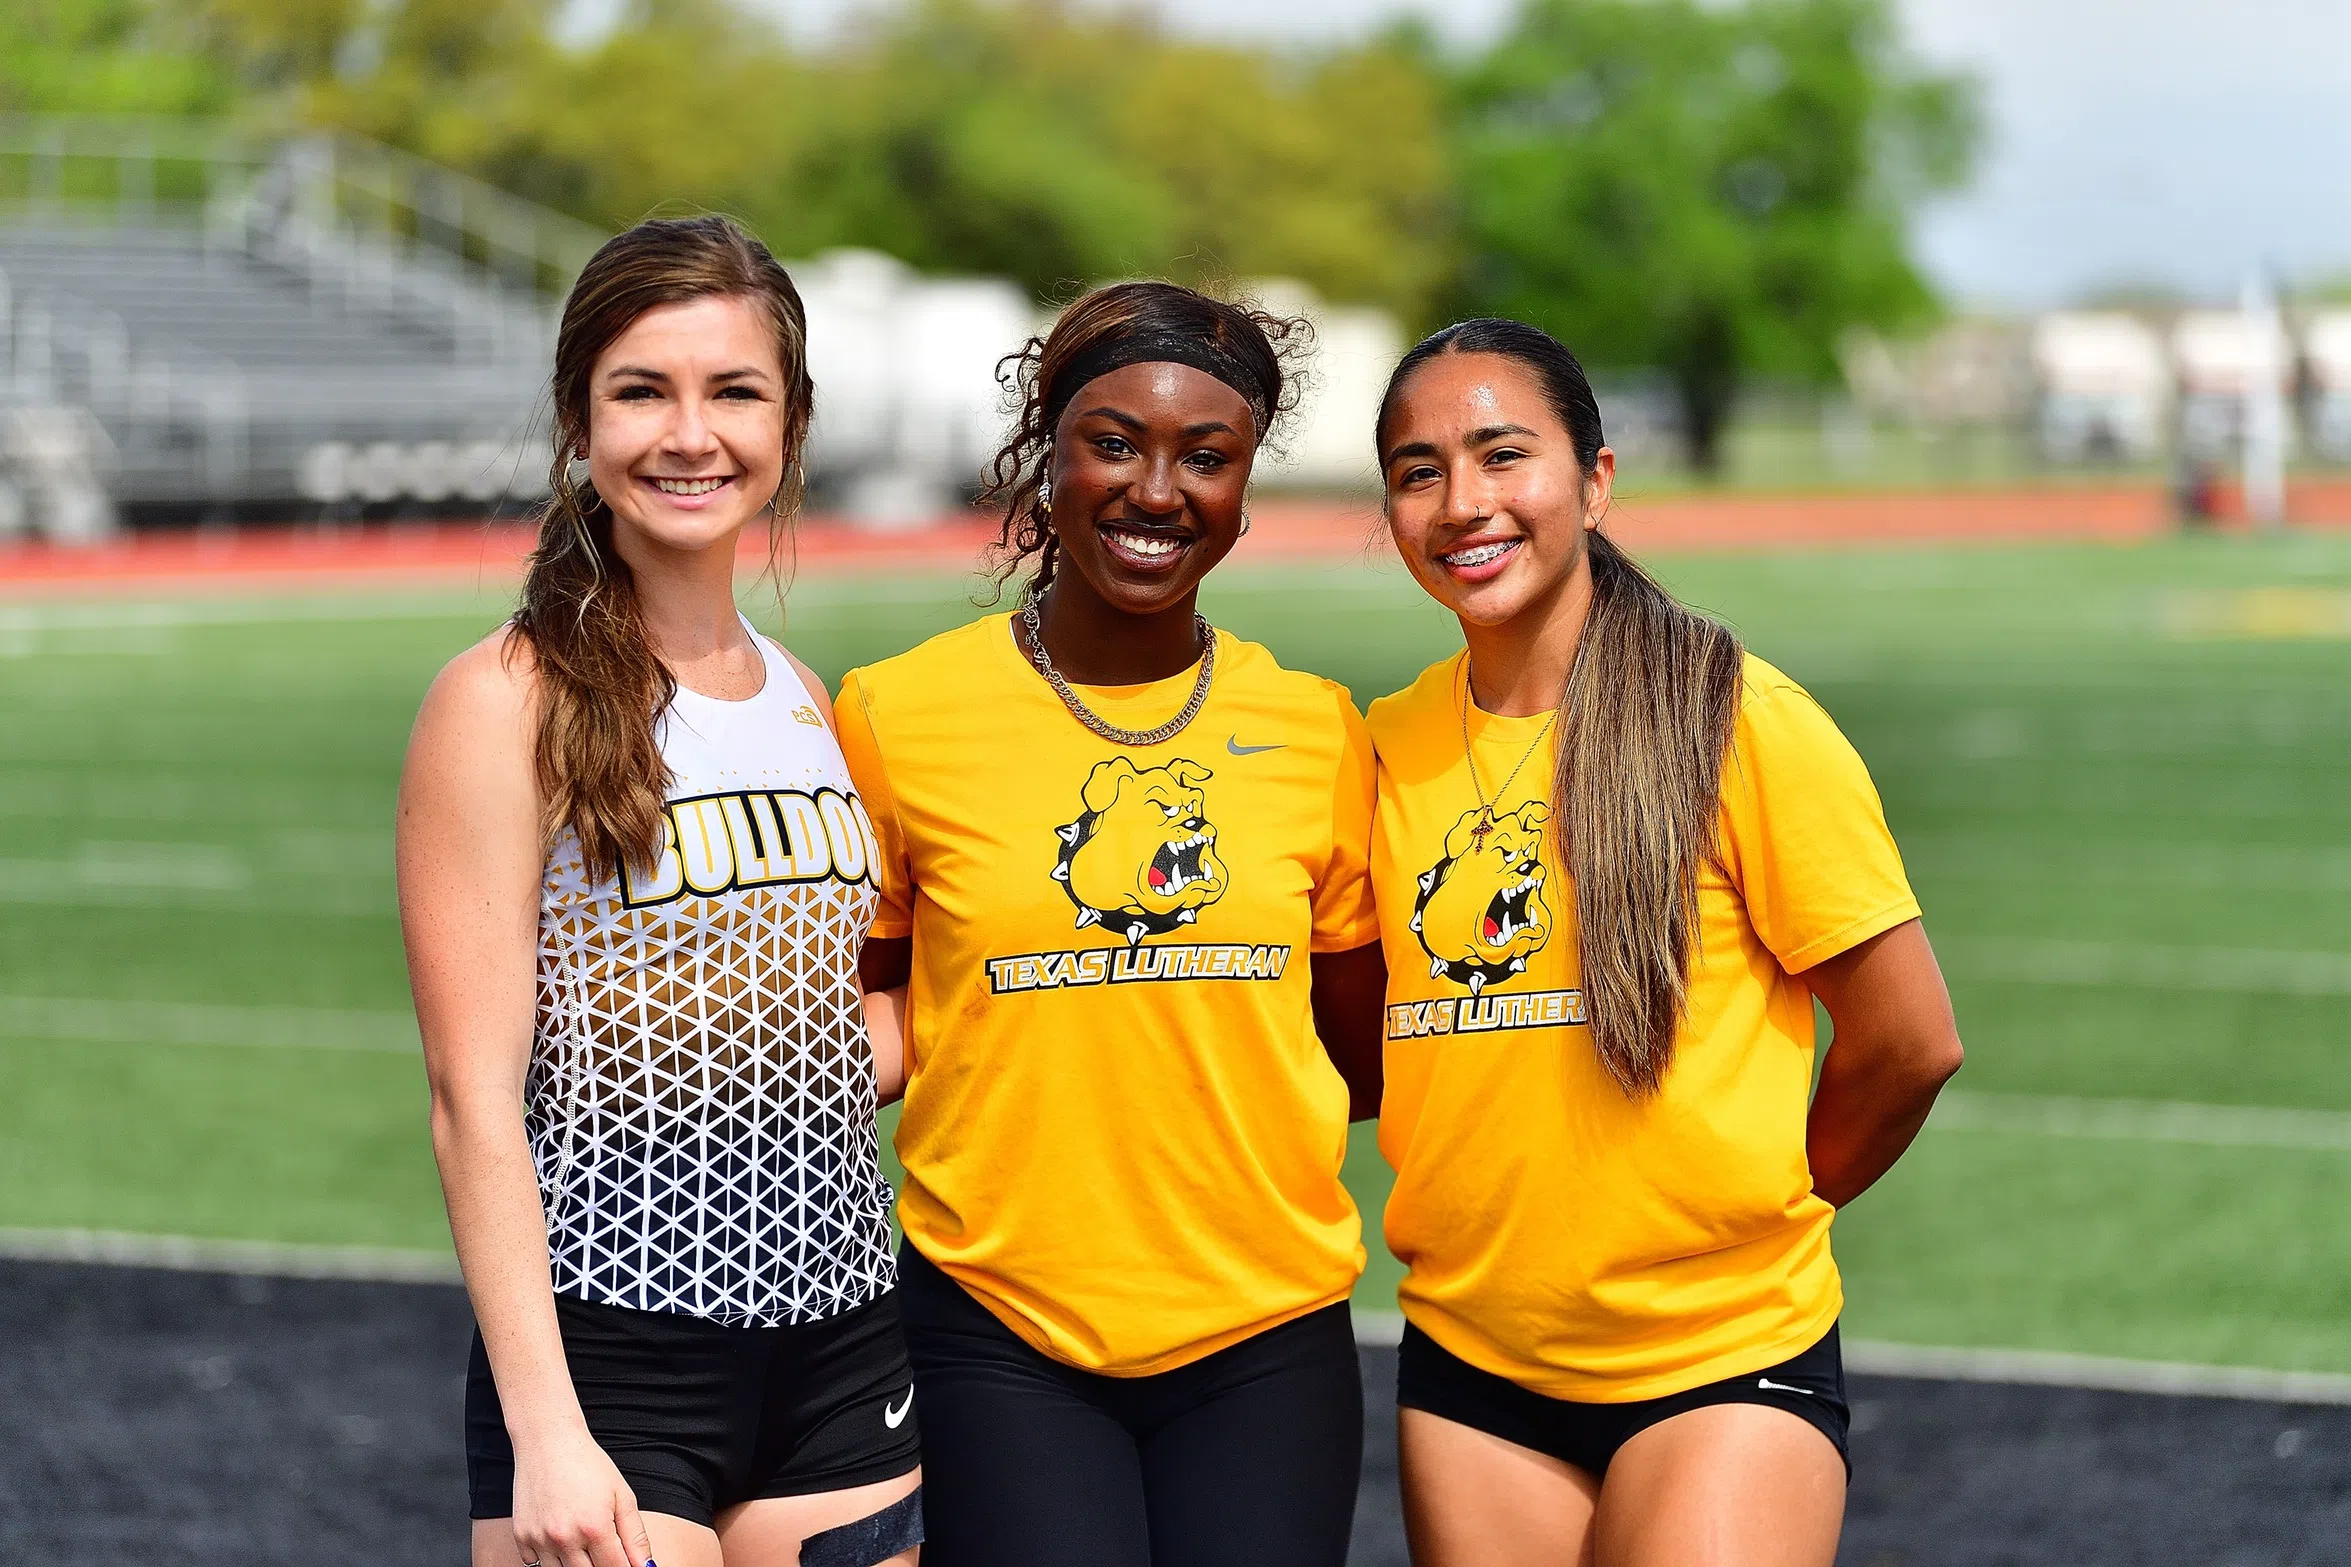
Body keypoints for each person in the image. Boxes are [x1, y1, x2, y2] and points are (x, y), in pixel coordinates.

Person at [1365, 318, 1965, 1567]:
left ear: (1593, 480)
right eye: (1419, 471)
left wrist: (1761, 1208)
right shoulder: (1378, 745)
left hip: (1719, 1364)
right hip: (1472, 1367)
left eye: (1501, 455)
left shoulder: (1737, 715)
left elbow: (1907, 1041)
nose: (1461, 502)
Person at [832, 281, 1388, 1567]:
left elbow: (1357, 1058)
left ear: (1245, 486)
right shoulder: (898, 715)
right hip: (994, 1323)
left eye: (1207, 457)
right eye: (1114, 441)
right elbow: (865, 1015)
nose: (1157, 490)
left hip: (1265, 1333)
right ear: (1045, 449)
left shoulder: (1314, 729)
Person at [397, 214, 922, 1567]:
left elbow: (822, 1023)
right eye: (641, 391)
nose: (689, 433)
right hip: (611, 1359)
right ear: (579, 423)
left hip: (846, 1340)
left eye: (732, 391)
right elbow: (472, 1099)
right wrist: (546, 1426)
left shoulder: (807, 698)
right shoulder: (497, 701)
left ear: (789, 427)